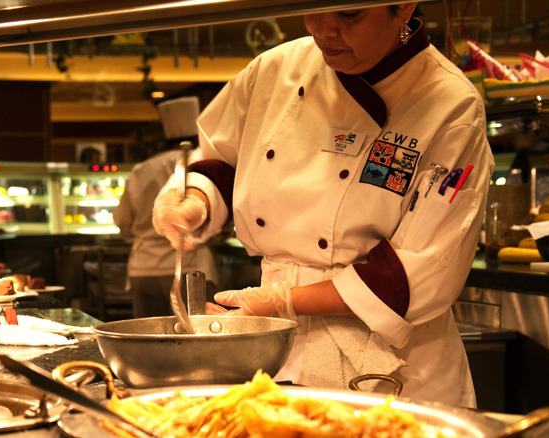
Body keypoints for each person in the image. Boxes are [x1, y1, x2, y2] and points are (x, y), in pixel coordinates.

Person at [151, 4, 493, 408]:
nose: (323, 30)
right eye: (310, 9)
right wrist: (195, 200)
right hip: (276, 344)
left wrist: (283, 300)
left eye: (349, 15)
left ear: (403, 7)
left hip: (392, 367)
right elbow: (222, 160)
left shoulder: (451, 105)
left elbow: (423, 269)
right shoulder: (275, 69)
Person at [114, 97, 220, 318]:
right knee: (197, 340)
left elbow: (123, 220)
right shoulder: (204, 165)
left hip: (145, 268)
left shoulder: (141, 170)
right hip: (192, 268)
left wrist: (137, 238)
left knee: (149, 341)